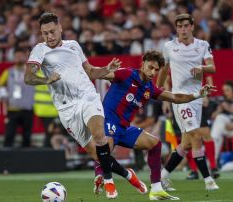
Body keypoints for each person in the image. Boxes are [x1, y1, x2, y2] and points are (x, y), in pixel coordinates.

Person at [24, 12, 144, 199]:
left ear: (60, 28)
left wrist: (107, 70)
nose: (49, 37)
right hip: (66, 108)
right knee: (96, 154)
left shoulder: (74, 45)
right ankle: (128, 175)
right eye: (45, 33)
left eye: (52, 31)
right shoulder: (39, 50)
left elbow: (90, 72)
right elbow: (28, 77)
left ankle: (109, 181)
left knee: (99, 135)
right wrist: (47, 79)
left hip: (87, 97)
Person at [98, 50, 215, 200]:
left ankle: (156, 190)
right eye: (150, 67)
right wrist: (107, 69)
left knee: (155, 144)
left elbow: (175, 97)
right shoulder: (126, 74)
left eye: (156, 70)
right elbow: (101, 74)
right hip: (107, 122)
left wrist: (198, 94)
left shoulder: (149, 89)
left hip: (124, 129)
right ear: (143, 64)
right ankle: (110, 180)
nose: (153, 72)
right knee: (104, 151)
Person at [156, 14, 219, 191]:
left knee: (186, 144)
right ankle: (209, 181)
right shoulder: (169, 46)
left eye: (186, 26)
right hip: (179, 98)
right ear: (176, 29)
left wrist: (201, 67)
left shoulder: (203, 45)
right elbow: (163, 70)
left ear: (192, 27)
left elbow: (212, 68)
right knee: (196, 137)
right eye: (179, 26)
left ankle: (160, 178)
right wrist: (158, 90)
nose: (183, 29)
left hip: (197, 97)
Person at [0, 48, 34, 148]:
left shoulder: (31, 71)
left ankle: (27, 157)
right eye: (16, 56)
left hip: (28, 108)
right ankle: (7, 158)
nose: (19, 58)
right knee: (9, 134)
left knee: (27, 136)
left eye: (21, 56)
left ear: (26, 57)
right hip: (13, 109)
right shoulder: (8, 72)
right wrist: (3, 97)